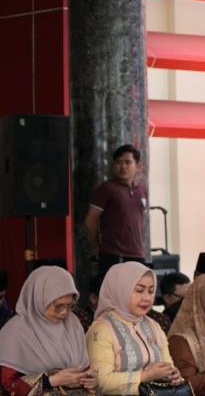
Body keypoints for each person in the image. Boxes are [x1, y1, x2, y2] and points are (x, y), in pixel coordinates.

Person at [86, 262, 183, 395]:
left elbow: (167, 364)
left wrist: (172, 374)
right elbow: (101, 382)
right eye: (139, 290)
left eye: (150, 291)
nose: (147, 298)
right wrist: (145, 376)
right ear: (120, 290)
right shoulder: (101, 330)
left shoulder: (153, 325)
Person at [0, 266, 97, 395]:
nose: (64, 313)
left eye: (70, 305)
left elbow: (83, 368)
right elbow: (8, 385)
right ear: (39, 300)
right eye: (58, 306)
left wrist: (90, 379)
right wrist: (51, 381)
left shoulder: (72, 323)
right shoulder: (15, 331)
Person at [84, 144, 148, 276]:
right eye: (118, 162)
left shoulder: (141, 190)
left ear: (137, 166)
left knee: (137, 292)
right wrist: (98, 246)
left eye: (127, 162)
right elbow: (90, 221)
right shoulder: (106, 189)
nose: (123, 166)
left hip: (138, 254)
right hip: (113, 255)